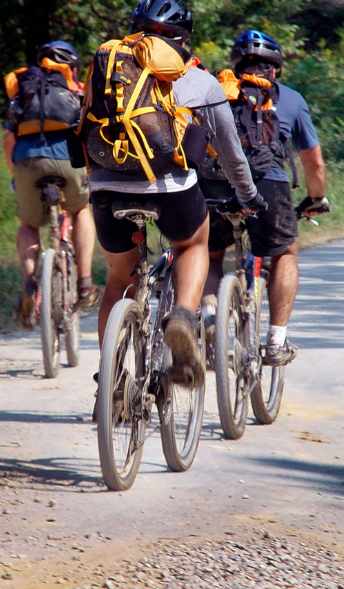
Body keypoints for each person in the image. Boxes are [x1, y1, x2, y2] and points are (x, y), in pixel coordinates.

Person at [86, 0, 265, 392]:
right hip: (171, 187)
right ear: (184, 40)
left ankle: (111, 383)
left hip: (106, 186)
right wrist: (249, 196)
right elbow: (231, 154)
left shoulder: (109, 67)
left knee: (118, 281)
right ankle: (183, 315)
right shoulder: (200, 80)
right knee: (193, 243)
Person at [200, 30, 328, 367]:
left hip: (214, 184)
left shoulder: (215, 90)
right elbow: (313, 162)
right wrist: (316, 198)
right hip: (267, 185)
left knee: (210, 255)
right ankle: (275, 341)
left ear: (236, 65)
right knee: (285, 252)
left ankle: (210, 316)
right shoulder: (291, 99)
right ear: (276, 67)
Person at [3, 40, 98, 328]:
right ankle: (85, 282)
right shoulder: (77, 89)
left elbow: (9, 140)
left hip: (27, 161)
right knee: (81, 211)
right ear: (73, 68)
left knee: (28, 225)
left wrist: (16, 175)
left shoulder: (25, 90)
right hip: (69, 161)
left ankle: (30, 283)